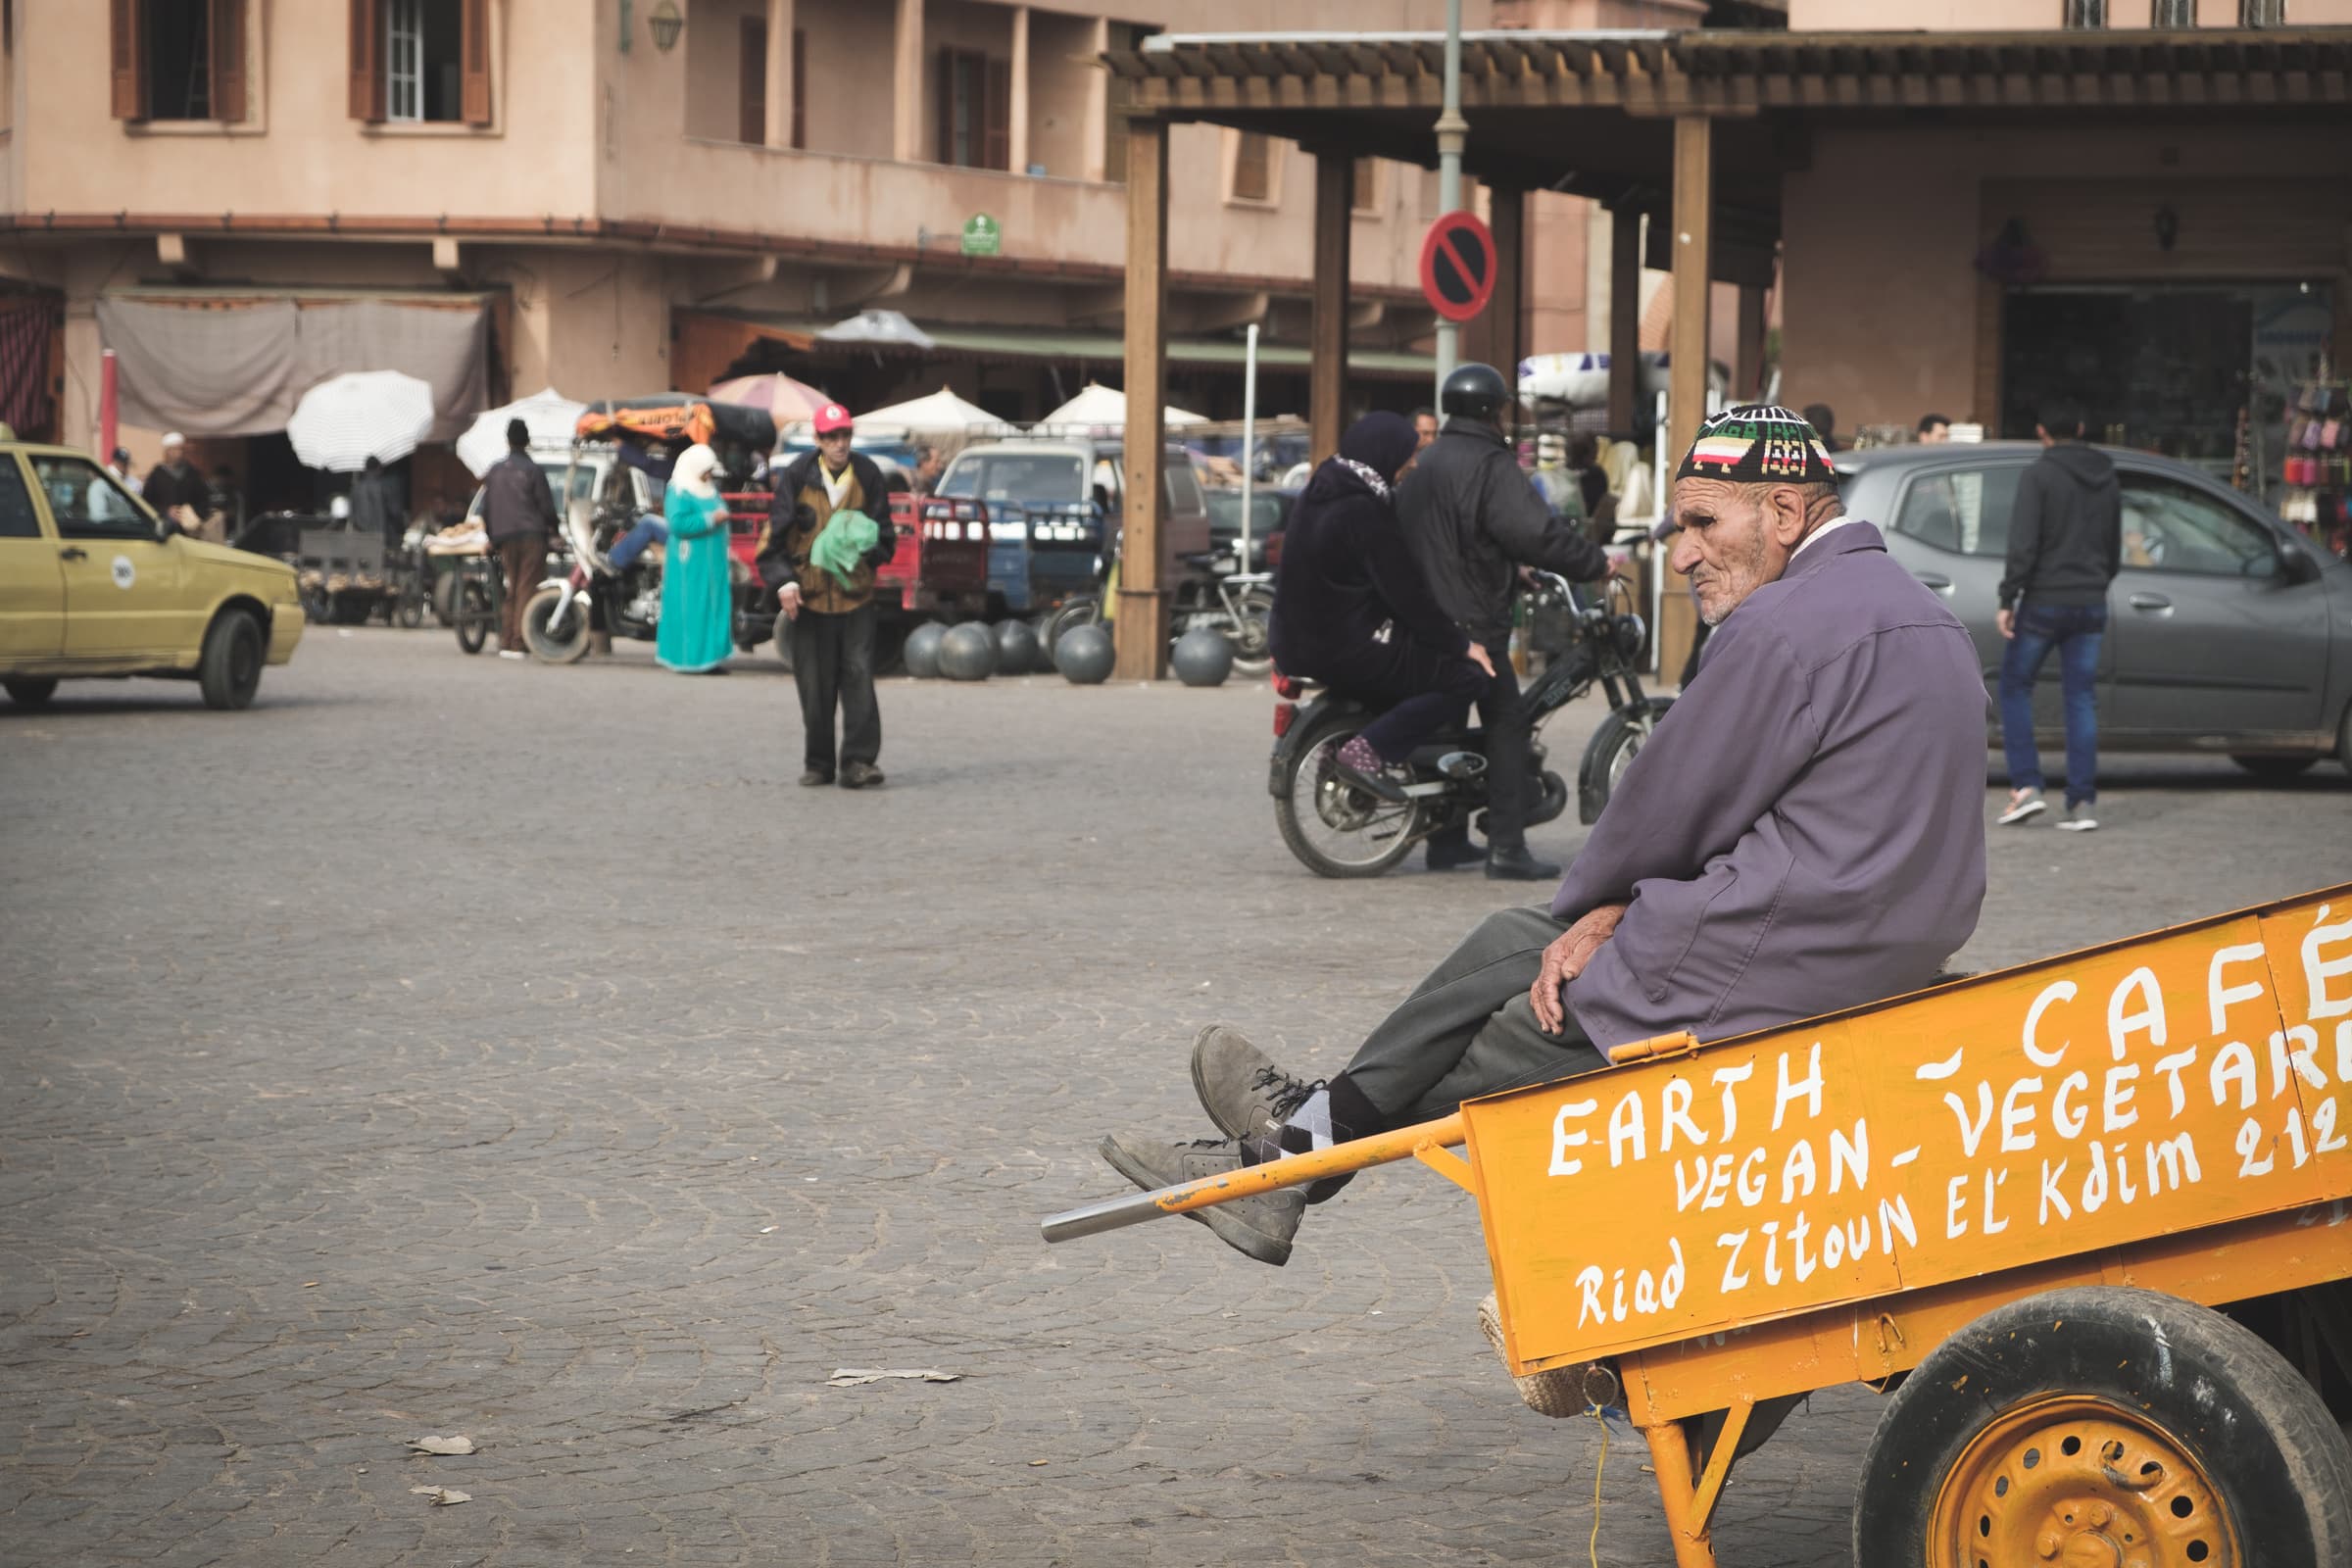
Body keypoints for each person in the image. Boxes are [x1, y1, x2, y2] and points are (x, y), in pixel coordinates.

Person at [1096, 403, 1989, 1266]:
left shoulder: (1783, 624)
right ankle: (1292, 1151)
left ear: (1786, 512)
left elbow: (1668, 806)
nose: (1683, 556)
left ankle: (1289, 1156)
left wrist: (1605, 904)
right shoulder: (1924, 615)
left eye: (1702, 524)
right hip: (1864, 937)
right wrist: (1604, 907)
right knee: (1514, 938)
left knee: (1517, 1018)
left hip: (1772, 946)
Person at [1396, 362, 1612, 882]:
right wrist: (1592, 562)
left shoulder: (1427, 464)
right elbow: (1533, 531)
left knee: (1446, 731)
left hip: (1430, 622)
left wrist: (1511, 574)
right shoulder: (1490, 465)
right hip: (1474, 626)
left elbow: (1452, 543)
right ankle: (1508, 847)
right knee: (1509, 726)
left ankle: (1445, 843)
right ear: (1492, 410)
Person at [1267, 412, 1494, 801]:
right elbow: (1404, 593)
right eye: (1408, 453)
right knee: (1466, 677)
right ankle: (1364, 753)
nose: (1414, 463)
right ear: (1384, 453)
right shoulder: (1362, 509)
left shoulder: (1319, 491)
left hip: (1294, 642)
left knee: (1409, 671)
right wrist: (1460, 643)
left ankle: (1340, 749)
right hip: (1342, 646)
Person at [1995, 404, 2122, 833]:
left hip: (2044, 600)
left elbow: (2024, 544)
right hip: (2090, 601)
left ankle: (2027, 787)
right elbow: (2114, 545)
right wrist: (2098, 583)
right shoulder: (2107, 476)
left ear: (2041, 432)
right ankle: (2082, 803)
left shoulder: (2038, 476)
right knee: (2081, 697)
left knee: (2014, 686)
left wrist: (2009, 596)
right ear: (2082, 427)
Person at [760, 403, 896, 789]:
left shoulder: (868, 475)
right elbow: (774, 539)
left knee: (859, 677)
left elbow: (886, 537)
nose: (840, 444)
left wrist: (860, 549)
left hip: (856, 596)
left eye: (845, 436)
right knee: (814, 684)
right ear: (818, 439)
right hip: (809, 596)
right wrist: (784, 583)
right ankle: (818, 763)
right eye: (831, 437)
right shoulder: (798, 474)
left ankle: (857, 762)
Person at [479, 417, 559, 659]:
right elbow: (546, 507)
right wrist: (554, 530)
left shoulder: (495, 471)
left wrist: (492, 537)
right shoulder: (532, 470)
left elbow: (485, 508)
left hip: (504, 536)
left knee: (512, 587)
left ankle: (506, 640)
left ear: (507, 441)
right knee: (527, 588)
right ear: (527, 441)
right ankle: (520, 640)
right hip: (531, 535)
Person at [655, 444, 735, 674]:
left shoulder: (708, 488)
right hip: (691, 564)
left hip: (714, 564)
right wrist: (711, 519)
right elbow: (678, 524)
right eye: (705, 470)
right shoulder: (679, 490)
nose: (709, 475)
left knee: (713, 607)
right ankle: (690, 659)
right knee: (693, 608)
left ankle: (711, 658)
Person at [141, 433, 206, 532]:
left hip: (189, 531)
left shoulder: (192, 473)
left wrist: (189, 512)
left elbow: (204, 502)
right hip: (164, 531)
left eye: (181, 449)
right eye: (175, 449)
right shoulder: (156, 474)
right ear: (167, 451)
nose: (179, 453)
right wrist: (166, 511)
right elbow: (145, 504)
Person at [349, 456, 403, 557]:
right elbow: (395, 512)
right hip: (380, 538)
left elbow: (352, 515)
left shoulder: (356, 488)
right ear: (379, 468)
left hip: (361, 537)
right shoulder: (383, 487)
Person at [1570, 433, 1617, 547]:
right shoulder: (1595, 474)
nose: (1597, 454)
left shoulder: (1596, 473)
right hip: (1583, 531)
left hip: (1589, 532)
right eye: (1595, 450)